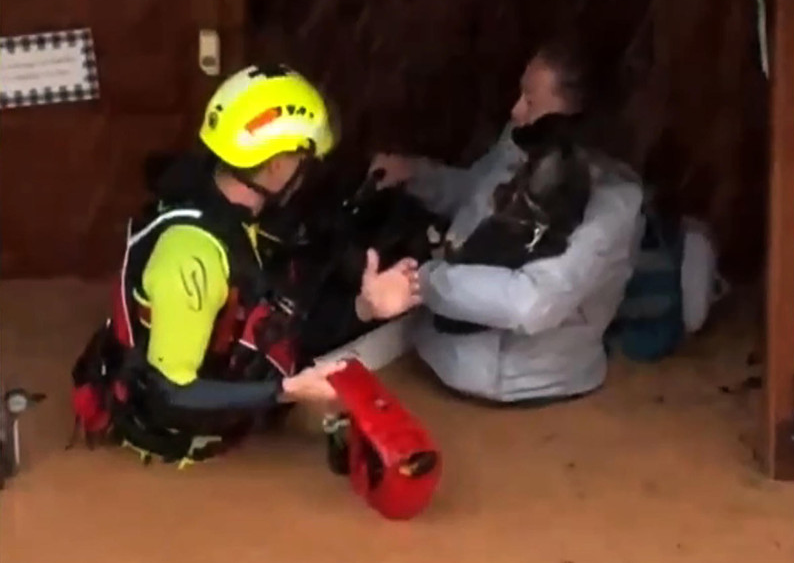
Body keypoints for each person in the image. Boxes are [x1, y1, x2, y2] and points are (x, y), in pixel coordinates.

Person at [70, 64, 421, 463]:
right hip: (173, 433)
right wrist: (285, 392)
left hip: (226, 373)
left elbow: (276, 325)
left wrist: (365, 308)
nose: (308, 173)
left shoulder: (247, 218)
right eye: (304, 161)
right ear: (276, 165)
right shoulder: (192, 257)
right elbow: (169, 393)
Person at [368, 40, 644, 404]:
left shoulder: (610, 206)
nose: (515, 111)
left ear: (576, 116)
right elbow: (478, 196)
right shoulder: (527, 144)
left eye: (530, 101)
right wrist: (414, 174)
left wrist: (421, 284)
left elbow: (530, 303)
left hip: (517, 382)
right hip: (442, 352)